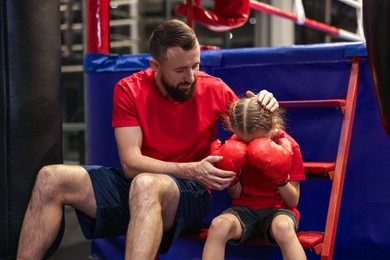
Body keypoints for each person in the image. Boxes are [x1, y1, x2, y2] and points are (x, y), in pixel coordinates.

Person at [16, 19, 279, 260]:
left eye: (195, 66)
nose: (190, 77)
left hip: (190, 191)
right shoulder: (129, 89)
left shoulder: (213, 88)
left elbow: (258, 127)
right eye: (180, 70)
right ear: (155, 66)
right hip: (145, 182)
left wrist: (267, 104)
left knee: (145, 185)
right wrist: (193, 169)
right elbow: (131, 163)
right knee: (51, 178)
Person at [203, 96, 306, 260]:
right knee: (218, 225)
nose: (250, 145)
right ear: (233, 129)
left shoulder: (288, 146)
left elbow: (292, 201)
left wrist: (280, 178)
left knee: (283, 228)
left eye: (257, 140)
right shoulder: (233, 144)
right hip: (244, 209)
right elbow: (235, 195)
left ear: (272, 125)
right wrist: (233, 178)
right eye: (244, 140)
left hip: (279, 210)